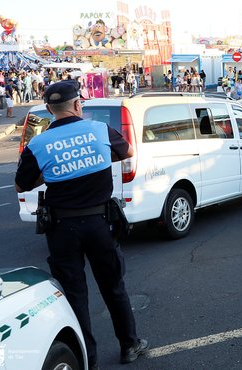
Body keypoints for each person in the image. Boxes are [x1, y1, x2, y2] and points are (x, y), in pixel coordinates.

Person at [13, 81, 149, 369]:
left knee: (75, 296)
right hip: (100, 224)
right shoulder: (99, 131)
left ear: (50, 110)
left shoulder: (38, 144)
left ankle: (89, 359)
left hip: (62, 229)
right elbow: (126, 152)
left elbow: (21, 183)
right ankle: (130, 345)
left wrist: (50, 171)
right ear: (78, 105)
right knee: (114, 287)